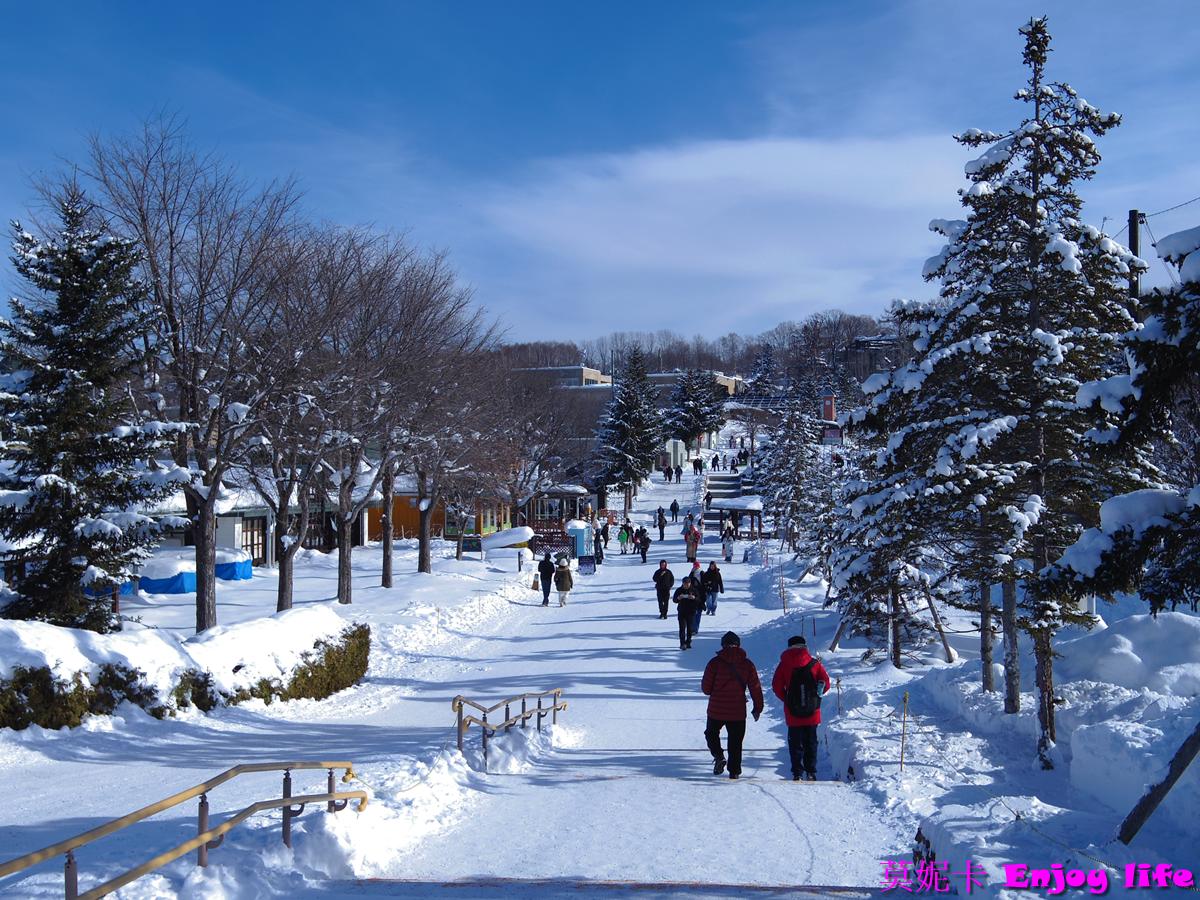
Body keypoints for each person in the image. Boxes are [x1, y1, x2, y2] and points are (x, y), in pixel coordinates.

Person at [701, 631, 764, 780]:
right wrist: (758, 707)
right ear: (739, 645)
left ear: (723, 645)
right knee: (735, 741)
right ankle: (734, 772)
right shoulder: (747, 664)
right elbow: (755, 687)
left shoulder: (714, 663)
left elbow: (706, 689)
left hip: (717, 709)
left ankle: (718, 756)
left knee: (711, 733)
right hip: (737, 710)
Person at [771, 636, 832, 781]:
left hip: (793, 712)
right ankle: (811, 771)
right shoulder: (814, 664)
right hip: (812, 711)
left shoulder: (784, 664)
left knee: (795, 743)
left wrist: (787, 700)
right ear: (804, 646)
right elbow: (826, 684)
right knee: (811, 741)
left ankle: (797, 772)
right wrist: (817, 695)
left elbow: (777, 686)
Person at [673, 576, 703, 649]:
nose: (686, 585)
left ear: (690, 583)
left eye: (688, 583)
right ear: (682, 583)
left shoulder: (694, 590)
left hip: (691, 612)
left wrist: (694, 598)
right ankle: (682, 643)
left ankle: (688, 642)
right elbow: (674, 600)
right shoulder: (679, 590)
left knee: (690, 628)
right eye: (685, 583)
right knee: (682, 628)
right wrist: (678, 598)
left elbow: (699, 600)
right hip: (681, 612)